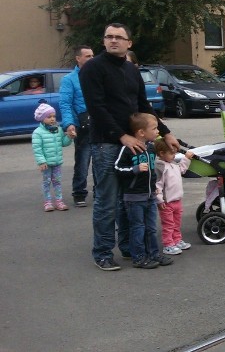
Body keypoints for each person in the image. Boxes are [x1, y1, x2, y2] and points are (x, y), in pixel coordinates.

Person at [79, 23, 180, 272]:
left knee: (130, 201)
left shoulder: (131, 70)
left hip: (134, 143)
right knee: (107, 201)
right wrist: (122, 136)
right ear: (104, 41)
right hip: (107, 143)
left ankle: (129, 248)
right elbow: (96, 108)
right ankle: (102, 252)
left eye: (119, 37)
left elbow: (142, 105)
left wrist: (165, 133)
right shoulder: (93, 68)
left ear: (129, 43)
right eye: (109, 37)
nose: (113, 41)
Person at [114, 113, 173, 269]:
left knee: (151, 227)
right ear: (141, 132)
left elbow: (153, 173)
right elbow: (117, 168)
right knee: (138, 228)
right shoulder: (128, 150)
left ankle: (153, 254)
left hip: (150, 196)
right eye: (154, 129)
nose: (157, 132)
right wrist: (135, 169)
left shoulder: (151, 148)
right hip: (134, 197)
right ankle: (139, 257)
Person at [60, 45, 95, 207]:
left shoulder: (98, 75)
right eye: (87, 56)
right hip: (82, 126)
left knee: (102, 160)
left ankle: (100, 191)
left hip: (100, 123)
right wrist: (69, 124)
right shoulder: (69, 80)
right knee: (82, 161)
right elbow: (65, 104)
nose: (91, 59)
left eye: (92, 55)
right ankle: (79, 192)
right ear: (78, 58)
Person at [155, 140, 194, 256]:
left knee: (176, 223)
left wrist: (186, 158)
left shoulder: (173, 164)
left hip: (177, 200)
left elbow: (182, 169)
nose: (174, 156)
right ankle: (168, 244)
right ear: (162, 153)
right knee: (168, 225)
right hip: (167, 202)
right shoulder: (161, 167)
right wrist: (159, 199)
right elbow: (158, 185)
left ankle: (176, 240)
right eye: (172, 153)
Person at [32, 103, 72, 212]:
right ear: (41, 118)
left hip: (57, 162)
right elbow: (37, 149)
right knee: (46, 182)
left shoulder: (58, 129)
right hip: (46, 164)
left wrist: (69, 136)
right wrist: (41, 161)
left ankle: (59, 201)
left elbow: (63, 143)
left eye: (54, 116)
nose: (52, 119)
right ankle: (48, 202)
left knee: (57, 181)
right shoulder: (38, 133)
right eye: (49, 117)